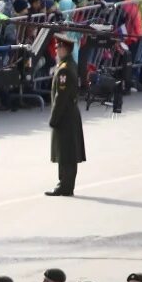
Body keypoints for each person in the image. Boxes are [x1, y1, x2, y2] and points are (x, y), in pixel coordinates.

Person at [46, 35, 85, 197]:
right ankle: (65, 184)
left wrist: (54, 118)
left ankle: (65, 185)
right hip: (70, 112)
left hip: (65, 114)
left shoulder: (64, 69)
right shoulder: (69, 65)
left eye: (58, 47)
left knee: (66, 152)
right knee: (66, 150)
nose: (56, 50)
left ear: (65, 49)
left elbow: (60, 97)